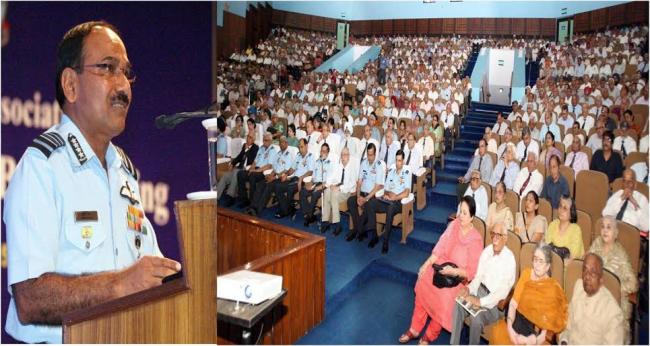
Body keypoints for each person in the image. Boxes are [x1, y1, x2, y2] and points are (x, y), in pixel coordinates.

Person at [3, 21, 181, 343]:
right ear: (71, 85)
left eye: (127, 72)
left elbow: (150, 272)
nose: (124, 86)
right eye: (108, 68)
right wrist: (119, 285)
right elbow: (29, 298)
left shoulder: (124, 171)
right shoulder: (42, 167)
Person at [399, 196, 483, 345]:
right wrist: (426, 264)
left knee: (444, 297)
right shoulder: (454, 225)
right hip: (442, 266)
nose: (460, 216)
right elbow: (440, 247)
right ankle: (415, 328)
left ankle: (430, 335)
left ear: (472, 217)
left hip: (458, 278)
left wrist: (454, 272)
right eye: (459, 211)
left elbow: (472, 271)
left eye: (464, 213)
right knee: (424, 280)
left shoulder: (476, 239)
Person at [450, 222, 516, 345]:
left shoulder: (509, 259)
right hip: (479, 292)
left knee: (476, 319)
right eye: (493, 234)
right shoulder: (487, 251)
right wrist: (469, 289)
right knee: (458, 303)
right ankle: (453, 343)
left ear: (505, 238)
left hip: (494, 304)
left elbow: (502, 292)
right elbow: (478, 277)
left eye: (499, 235)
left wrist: (480, 302)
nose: (495, 238)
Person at [489, 243, 568, 345]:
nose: (537, 265)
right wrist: (510, 328)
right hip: (517, 323)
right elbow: (513, 304)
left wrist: (533, 341)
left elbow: (549, 324)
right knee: (499, 334)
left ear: (548, 266)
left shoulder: (553, 288)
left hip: (536, 334)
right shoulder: (526, 274)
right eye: (535, 260)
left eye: (541, 261)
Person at [588, 217, 638, 343]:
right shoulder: (597, 243)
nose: (604, 230)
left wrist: (615, 288)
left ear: (616, 233)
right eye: (603, 227)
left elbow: (633, 283)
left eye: (609, 227)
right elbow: (586, 262)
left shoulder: (621, 254)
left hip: (614, 303)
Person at [558, 253, 625, 345]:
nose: (587, 276)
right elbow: (568, 327)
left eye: (593, 273)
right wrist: (564, 341)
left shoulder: (613, 312)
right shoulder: (578, 287)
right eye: (585, 270)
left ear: (601, 279)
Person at [365, 149, 411, 254]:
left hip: (398, 202)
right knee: (370, 203)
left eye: (400, 160)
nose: (397, 163)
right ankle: (374, 235)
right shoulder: (391, 171)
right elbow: (385, 188)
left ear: (403, 161)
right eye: (396, 160)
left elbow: (407, 193)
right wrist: (387, 194)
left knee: (390, 208)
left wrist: (394, 197)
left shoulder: (406, 173)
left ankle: (385, 241)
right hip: (388, 199)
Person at [345, 143, 385, 242]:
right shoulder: (363, 163)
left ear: (375, 154)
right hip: (362, 193)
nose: (369, 157)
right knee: (350, 201)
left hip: (372, 196)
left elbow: (378, 187)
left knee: (368, 205)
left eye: (371, 155)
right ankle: (358, 228)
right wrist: (358, 196)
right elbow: (359, 182)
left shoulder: (379, 165)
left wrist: (366, 198)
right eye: (368, 154)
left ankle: (365, 232)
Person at [245, 136, 292, 217]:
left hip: (281, 178)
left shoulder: (289, 155)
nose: (281, 144)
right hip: (275, 176)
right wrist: (270, 175)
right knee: (261, 184)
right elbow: (275, 168)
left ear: (286, 143)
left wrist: (274, 177)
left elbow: (286, 171)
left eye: (283, 142)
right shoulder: (279, 154)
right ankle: (252, 207)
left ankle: (257, 210)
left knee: (269, 186)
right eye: (280, 142)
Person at [321, 147, 357, 236]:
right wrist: (328, 185)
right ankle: (325, 220)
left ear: (349, 156)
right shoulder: (338, 165)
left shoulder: (352, 168)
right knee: (327, 192)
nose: (343, 157)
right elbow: (331, 177)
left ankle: (337, 224)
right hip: (337, 189)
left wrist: (339, 188)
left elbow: (351, 184)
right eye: (342, 155)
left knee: (334, 194)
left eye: (345, 155)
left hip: (347, 192)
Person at [275, 138, 313, 219]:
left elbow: (310, 171)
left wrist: (301, 178)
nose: (300, 149)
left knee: (290, 188)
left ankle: (285, 211)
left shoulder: (310, 156)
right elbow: (292, 169)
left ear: (306, 146)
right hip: (294, 179)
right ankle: (287, 208)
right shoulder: (298, 156)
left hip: (303, 181)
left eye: (302, 147)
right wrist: (286, 174)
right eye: (299, 147)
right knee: (277, 186)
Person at [217, 132, 258, 206]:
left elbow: (252, 160)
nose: (248, 138)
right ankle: (216, 197)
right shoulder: (244, 146)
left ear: (254, 140)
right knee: (226, 176)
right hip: (239, 168)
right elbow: (239, 157)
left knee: (236, 172)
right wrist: (232, 164)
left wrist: (246, 149)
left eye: (250, 137)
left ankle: (230, 196)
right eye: (248, 136)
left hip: (246, 170)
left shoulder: (256, 148)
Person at [237, 133, 277, 208]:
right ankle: (244, 199)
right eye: (263, 140)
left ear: (271, 141)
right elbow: (255, 161)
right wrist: (252, 168)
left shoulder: (272, 150)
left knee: (252, 176)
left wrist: (255, 171)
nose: (264, 142)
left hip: (263, 172)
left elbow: (269, 166)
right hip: (256, 169)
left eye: (266, 140)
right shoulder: (261, 148)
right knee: (240, 174)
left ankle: (252, 202)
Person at [301, 143, 332, 226]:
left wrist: (319, 187)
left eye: (325, 151)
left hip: (324, 185)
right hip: (315, 182)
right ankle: (308, 213)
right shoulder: (317, 161)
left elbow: (329, 181)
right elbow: (313, 176)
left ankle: (309, 216)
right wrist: (309, 183)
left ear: (328, 152)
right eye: (322, 151)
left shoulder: (330, 163)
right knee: (303, 191)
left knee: (314, 194)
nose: (323, 152)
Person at [546, 195, 585, 260]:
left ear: (571, 213)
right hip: (552, 264)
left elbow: (573, 256)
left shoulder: (576, 230)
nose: (561, 210)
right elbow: (547, 249)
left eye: (565, 208)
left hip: (570, 267)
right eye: (560, 206)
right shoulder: (553, 224)